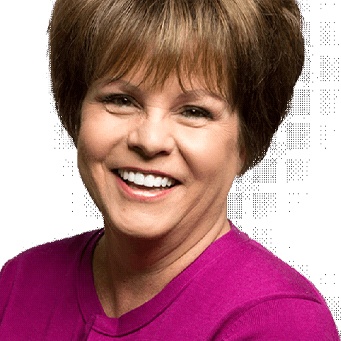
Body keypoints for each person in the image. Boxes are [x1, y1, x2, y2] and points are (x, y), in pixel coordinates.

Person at [0, 0, 339, 339]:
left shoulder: (280, 322)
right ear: (77, 112)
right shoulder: (17, 283)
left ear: (247, 140)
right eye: (121, 100)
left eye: (194, 111)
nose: (150, 140)